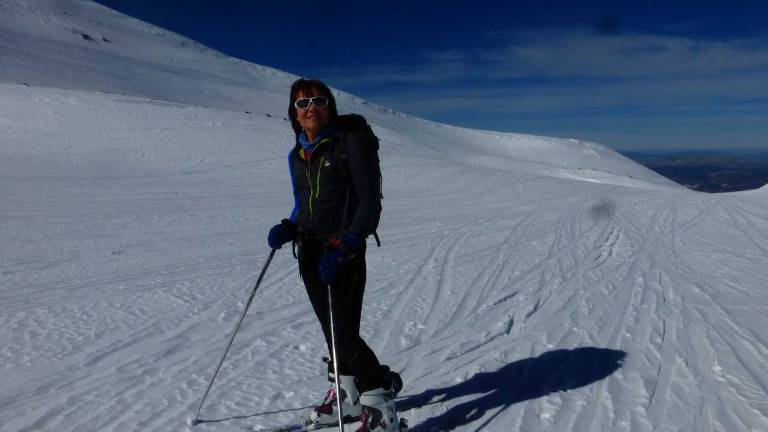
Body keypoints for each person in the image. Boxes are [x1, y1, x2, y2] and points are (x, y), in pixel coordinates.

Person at [267, 79, 402, 432]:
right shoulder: (296, 155)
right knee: (333, 332)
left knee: (342, 331)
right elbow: (303, 204)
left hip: (343, 252)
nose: (310, 107)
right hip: (310, 252)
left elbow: (369, 198)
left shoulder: (349, 144)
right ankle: (347, 393)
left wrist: (350, 243)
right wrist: (290, 225)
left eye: (318, 100)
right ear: (294, 114)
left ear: (330, 107)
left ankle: (378, 399)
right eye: (302, 103)